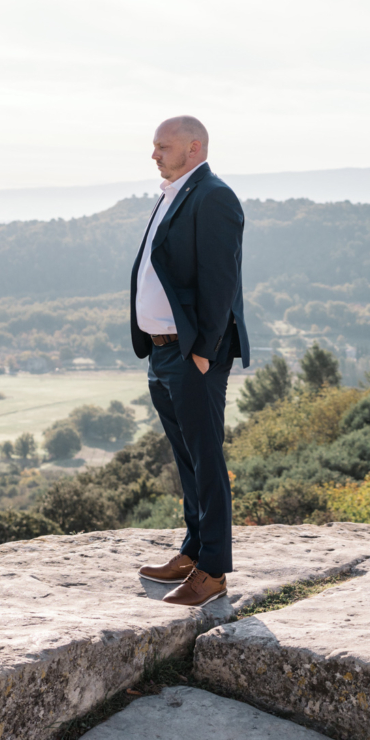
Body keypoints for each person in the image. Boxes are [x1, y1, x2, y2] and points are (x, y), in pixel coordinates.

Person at [130, 116, 250, 607]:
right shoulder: (173, 192)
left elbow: (220, 281)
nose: (154, 154)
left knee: (206, 459)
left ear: (193, 147)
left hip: (192, 354)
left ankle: (214, 572)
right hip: (161, 351)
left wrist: (202, 351)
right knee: (186, 459)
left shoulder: (213, 196)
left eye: (163, 146)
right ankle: (194, 549)